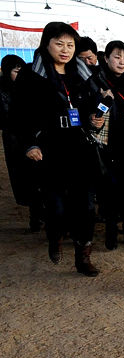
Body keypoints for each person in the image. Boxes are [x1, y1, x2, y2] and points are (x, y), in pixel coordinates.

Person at [11, 22, 102, 276]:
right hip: (49, 148)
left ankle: (83, 256)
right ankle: (55, 237)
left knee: (85, 205)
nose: (65, 50)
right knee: (57, 205)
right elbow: (18, 115)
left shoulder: (81, 72)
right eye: (59, 44)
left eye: (70, 45)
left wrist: (96, 118)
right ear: (46, 44)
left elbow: (95, 103)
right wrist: (29, 143)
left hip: (80, 145)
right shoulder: (32, 75)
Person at [90, 40, 124, 249]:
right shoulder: (97, 81)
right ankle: (110, 235)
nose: (121, 62)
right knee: (110, 193)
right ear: (106, 58)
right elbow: (94, 114)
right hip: (108, 146)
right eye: (116, 57)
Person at [0, 54, 40, 228]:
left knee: (37, 174)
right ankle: (35, 213)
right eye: (16, 71)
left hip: (33, 136)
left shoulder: (30, 87)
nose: (20, 74)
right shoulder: (2, 90)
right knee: (23, 176)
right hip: (14, 139)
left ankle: (38, 213)